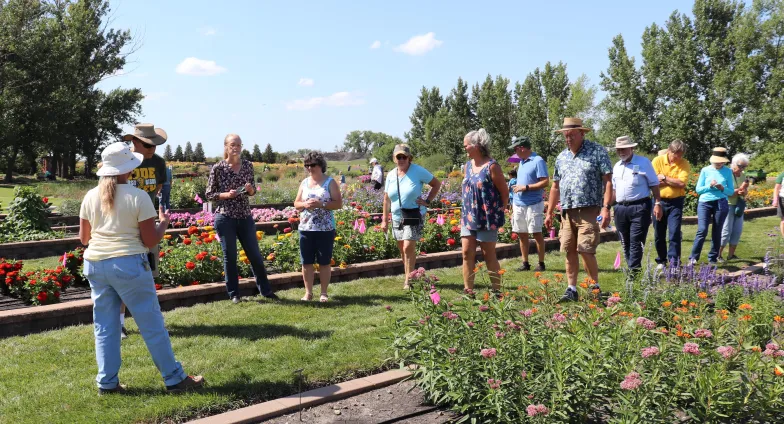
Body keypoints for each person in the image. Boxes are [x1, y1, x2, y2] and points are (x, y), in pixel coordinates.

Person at [79, 142, 204, 395]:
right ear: (128, 169)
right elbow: (150, 240)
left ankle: (107, 383)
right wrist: (164, 223)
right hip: (129, 264)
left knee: (105, 326)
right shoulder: (138, 197)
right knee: (151, 323)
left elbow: (84, 238)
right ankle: (175, 378)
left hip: (95, 264)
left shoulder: (90, 195)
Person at [544, 117, 612, 302]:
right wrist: (549, 212)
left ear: (582, 133)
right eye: (565, 136)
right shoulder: (561, 157)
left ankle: (594, 288)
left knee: (586, 249)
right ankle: (571, 289)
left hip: (589, 210)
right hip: (566, 211)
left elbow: (607, 182)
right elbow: (555, 187)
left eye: (572, 135)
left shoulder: (597, 151)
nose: (568, 139)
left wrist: (606, 208)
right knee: (569, 249)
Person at [206, 134, 278, 303]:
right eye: (232, 144)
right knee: (229, 256)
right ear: (226, 147)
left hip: (245, 216)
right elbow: (209, 194)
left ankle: (266, 291)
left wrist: (250, 189)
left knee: (254, 255)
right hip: (226, 217)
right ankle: (234, 294)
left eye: (238, 144)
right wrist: (226, 195)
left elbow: (252, 192)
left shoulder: (247, 166)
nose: (236, 147)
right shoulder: (218, 168)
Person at [121, 123, 169, 339]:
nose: (152, 150)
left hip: (147, 225)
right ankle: (120, 324)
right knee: (124, 278)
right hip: (125, 227)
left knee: (148, 274)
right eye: (148, 145)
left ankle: (150, 321)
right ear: (135, 142)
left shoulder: (158, 163)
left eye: (155, 145)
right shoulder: (122, 162)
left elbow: (157, 190)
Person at [381, 144, 441, 289]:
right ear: (394, 159)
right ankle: (410, 273)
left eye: (404, 157)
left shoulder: (418, 171)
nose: (401, 159)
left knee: (408, 246)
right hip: (397, 216)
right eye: (398, 157)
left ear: (409, 158)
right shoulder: (390, 175)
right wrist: (384, 220)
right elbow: (386, 199)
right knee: (402, 248)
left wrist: (427, 201)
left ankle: (408, 280)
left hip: (414, 213)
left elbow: (436, 184)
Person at [460, 129, 508, 293]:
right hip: (468, 217)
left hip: (487, 218)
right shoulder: (467, 166)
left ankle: (497, 291)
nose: (464, 148)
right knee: (466, 253)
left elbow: (504, 192)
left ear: (476, 146)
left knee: (489, 254)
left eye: (466, 145)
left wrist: (498, 212)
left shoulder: (492, 166)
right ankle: (469, 291)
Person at [294, 152, 343, 302]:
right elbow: (296, 204)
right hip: (306, 228)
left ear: (320, 165)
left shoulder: (330, 182)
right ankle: (308, 293)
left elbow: (338, 203)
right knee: (306, 262)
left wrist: (321, 204)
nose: (309, 168)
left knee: (324, 262)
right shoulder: (304, 183)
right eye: (307, 165)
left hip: (325, 229)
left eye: (312, 165)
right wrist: (304, 204)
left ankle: (323, 293)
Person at [610, 136, 663, 275]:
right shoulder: (616, 166)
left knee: (636, 241)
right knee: (625, 242)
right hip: (620, 208)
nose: (621, 152)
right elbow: (614, 191)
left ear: (631, 148)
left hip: (639, 207)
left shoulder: (644, 162)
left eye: (624, 148)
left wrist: (657, 203)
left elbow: (654, 184)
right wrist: (607, 206)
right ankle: (634, 270)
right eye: (619, 149)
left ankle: (633, 272)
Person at [509, 136, 549, 272]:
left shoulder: (538, 161)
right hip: (519, 203)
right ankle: (525, 263)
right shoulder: (521, 162)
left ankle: (541, 263)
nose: (515, 152)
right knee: (522, 233)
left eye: (515, 149)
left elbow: (545, 182)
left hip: (534, 203)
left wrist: (525, 187)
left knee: (536, 233)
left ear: (522, 148)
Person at [689, 147, 734, 265]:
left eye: (721, 161)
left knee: (717, 231)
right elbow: (698, 190)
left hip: (721, 202)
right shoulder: (705, 170)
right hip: (705, 203)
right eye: (717, 161)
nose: (719, 163)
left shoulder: (728, 171)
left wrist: (722, 188)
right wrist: (710, 185)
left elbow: (730, 192)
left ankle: (713, 258)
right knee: (702, 230)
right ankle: (693, 257)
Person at [651, 140, 691, 269]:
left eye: (681, 155)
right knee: (659, 233)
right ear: (669, 151)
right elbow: (653, 182)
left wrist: (664, 178)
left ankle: (674, 262)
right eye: (676, 155)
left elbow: (681, 184)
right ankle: (661, 260)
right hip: (659, 201)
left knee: (674, 233)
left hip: (676, 202)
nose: (678, 158)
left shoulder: (684, 164)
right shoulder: (657, 161)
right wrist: (672, 181)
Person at [718, 153, 750, 261]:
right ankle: (718, 255)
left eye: (744, 166)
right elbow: (725, 191)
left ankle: (731, 255)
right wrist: (739, 190)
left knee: (737, 230)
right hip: (728, 204)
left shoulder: (743, 175)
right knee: (726, 230)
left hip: (738, 205)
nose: (742, 169)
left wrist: (744, 191)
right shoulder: (727, 174)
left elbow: (744, 192)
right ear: (733, 164)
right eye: (740, 166)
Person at [775, 170, 784, 238]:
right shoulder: (782, 175)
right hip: (783, 199)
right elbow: (777, 188)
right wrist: (775, 200)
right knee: (783, 220)